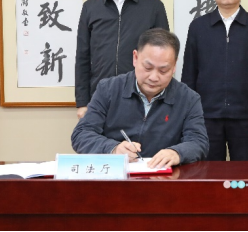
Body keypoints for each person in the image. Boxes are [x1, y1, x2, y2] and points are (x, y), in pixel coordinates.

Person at [71, 28, 208, 168]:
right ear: (135, 58)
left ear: (174, 66)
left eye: (163, 70)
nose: (153, 77)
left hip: (163, 176)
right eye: (148, 68)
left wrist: (177, 153)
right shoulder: (108, 89)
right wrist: (113, 149)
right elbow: (81, 134)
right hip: (116, 174)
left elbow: (199, 141)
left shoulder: (189, 99)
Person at [181, 0, 248, 161]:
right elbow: (189, 73)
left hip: (246, 116)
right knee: (210, 173)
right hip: (206, 115)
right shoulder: (198, 26)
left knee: (245, 172)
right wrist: (190, 113)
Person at [75, 0, 169, 119]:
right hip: (100, 96)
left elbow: (163, 55)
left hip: (142, 95)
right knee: (100, 138)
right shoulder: (91, 7)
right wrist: (82, 102)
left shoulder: (153, 7)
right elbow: (82, 57)